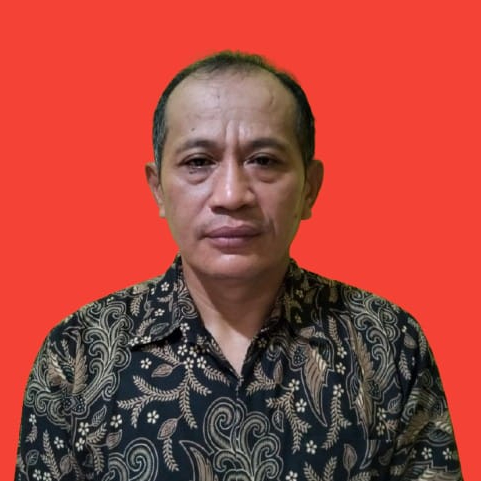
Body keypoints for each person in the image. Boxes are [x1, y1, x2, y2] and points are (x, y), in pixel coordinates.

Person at [15, 51, 462, 481]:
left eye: (263, 161)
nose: (231, 195)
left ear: (310, 188)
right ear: (157, 189)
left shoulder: (388, 343)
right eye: (198, 162)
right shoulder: (78, 354)